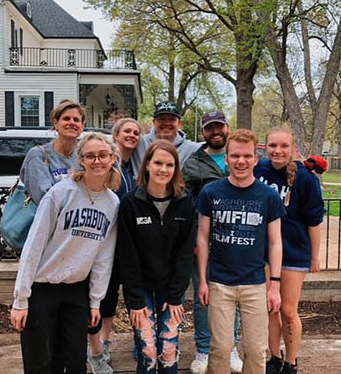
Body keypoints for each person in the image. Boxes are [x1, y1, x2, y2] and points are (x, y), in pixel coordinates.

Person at [10, 132, 120, 374]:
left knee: (74, 362)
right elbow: (34, 245)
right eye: (90, 156)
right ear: (80, 160)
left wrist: (95, 301)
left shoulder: (112, 203)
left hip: (75, 290)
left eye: (103, 155)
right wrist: (20, 299)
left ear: (113, 158)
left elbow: (103, 257)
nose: (97, 161)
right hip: (41, 288)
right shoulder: (61, 192)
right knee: (40, 363)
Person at [196, 129, 285, 374]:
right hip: (220, 283)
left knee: (257, 350)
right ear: (227, 158)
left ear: (256, 159)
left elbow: (276, 242)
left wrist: (274, 285)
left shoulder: (269, 196)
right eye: (235, 156)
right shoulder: (211, 193)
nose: (241, 161)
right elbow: (202, 239)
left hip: (255, 283)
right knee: (220, 349)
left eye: (247, 156)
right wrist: (202, 281)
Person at [118, 140, 196, 373]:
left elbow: (185, 253)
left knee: (168, 350)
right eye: (158, 163)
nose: (163, 169)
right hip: (140, 287)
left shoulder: (185, 203)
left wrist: (175, 296)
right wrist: (135, 299)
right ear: (147, 165)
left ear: (175, 169)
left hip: (171, 287)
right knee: (148, 349)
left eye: (169, 164)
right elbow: (127, 255)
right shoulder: (131, 203)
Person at [254, 126, 324, 374]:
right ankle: (274, 356)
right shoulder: (259, 169)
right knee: (269, 307)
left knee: (288, 310)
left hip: (294, 252)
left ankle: (291, 361)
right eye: (273, 145)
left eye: (284, 146)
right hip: (264, 251)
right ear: (265, 146)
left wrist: (314, 256)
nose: (278, 150)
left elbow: (314, 221)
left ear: (293, 149)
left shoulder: (305, 178)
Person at [182, 111, 243, 373]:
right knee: (202, 296)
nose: (215, 132)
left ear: (227, 128)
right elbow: (185, 204)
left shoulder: (241, 157)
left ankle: (230, 347)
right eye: (210, 128)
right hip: (204, 239)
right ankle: (203, 349)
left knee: (235, 295)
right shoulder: (194, 163)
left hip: (238, 240)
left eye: (219, 126)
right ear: (204, 132)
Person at [87, 118, 142, 374]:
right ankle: (99, 348)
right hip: (103, 244)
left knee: (130, 297)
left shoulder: (135, 165)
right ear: (116, 135)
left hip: (128, 245)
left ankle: (134, 343)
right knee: (104, 298)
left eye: (136, 132)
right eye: (127, 131)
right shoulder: (110, 165)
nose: (132, 135)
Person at [20, 99, 86, 205]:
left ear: (82, 126)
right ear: (56, 123)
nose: (71, 123)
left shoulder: (84, 157)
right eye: (66, 118)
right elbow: (44, 198)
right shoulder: (39, 155)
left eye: (76, 120)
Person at [130, 101, 200, 176]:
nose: (166, 123)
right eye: (161, 119)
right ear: (154, 122)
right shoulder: (138, 143)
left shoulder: (194, 149)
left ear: (179, 123)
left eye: (172, 119)